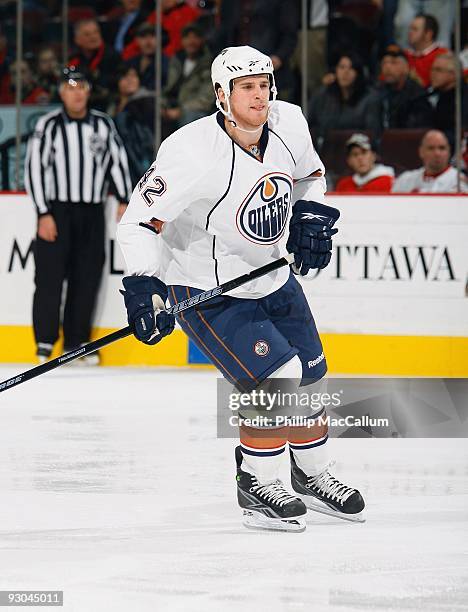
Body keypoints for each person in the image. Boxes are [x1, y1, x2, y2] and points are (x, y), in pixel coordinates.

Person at [117, 46, 365, 532]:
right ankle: (257, 482)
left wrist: (311, 213)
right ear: (221, 95)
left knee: (312, 376)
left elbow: (311, 177)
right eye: (246, 87)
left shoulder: (290, 123)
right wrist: (145, 281)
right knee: (278, 377)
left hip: (271, 275)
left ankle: (310, 474)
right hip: (206, 289)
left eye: (264, 84)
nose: (259, 95)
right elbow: (138, 221)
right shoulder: (190, 151)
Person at [25, 69, 132, 364]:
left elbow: (117, 161)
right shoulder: (49, 125)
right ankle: (45, 342)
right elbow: (34, 168)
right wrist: (43, 213)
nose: (76, 93)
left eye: (81, 87)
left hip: (92, 211)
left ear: (88, 91)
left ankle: (77, 341)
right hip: (57, 210)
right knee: (49, 277)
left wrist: (124, 197)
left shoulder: (101, 123)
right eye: (70, 87)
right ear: (61, 92)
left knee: (86, 277)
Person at [308, 53, 380, 150]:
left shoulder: (369, 98)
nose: (345, 72)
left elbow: (372, 133)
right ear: (335, 71)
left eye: (351, 68)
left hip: (358, 152)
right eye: (342, 67)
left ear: (358, 73)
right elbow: (310, 125)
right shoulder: (323, 95)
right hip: (328, 151)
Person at [161, 23, 213, 129]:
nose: (191, 41)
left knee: (190, 116)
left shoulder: (209, 63)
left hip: (194, 111)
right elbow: (166, 88)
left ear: (202, 40)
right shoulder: (176, 61)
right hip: (172, 106)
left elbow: (206, 99)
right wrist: (162, 105)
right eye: (187, 37)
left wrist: (181, 110)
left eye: (195, 37)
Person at [69, 19, 121, 111]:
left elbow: (116, 83)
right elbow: (70, 81)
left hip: (107, 104)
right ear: (77, 40)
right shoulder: (74, 59)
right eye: (87, 34)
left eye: (96, 32)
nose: (93, 37)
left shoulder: (112, 57)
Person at [392, 129, 467, 192]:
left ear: (449, 152)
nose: (437, 153)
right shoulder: (405, 180)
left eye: (442, 148)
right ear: (421, 152)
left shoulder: (459, 182)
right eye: (431, 148)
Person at [377, 44, 432, 130]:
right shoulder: (378, 91)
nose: (387, 67)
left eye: (393, 62)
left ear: (406, 68)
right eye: (384, 63)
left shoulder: (417, 95)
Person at [425, 53, 468, 148]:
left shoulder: (463, 98)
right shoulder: (429, 94)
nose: (433, 73)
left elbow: (460, 131)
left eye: (438, 70)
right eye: (432, 69)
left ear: (454, 74)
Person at [404, 14, 449, 87]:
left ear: (428, 34)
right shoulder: (404, 55)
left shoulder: (443, 56)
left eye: (415, 29)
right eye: (410, 28)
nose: (410, 32)